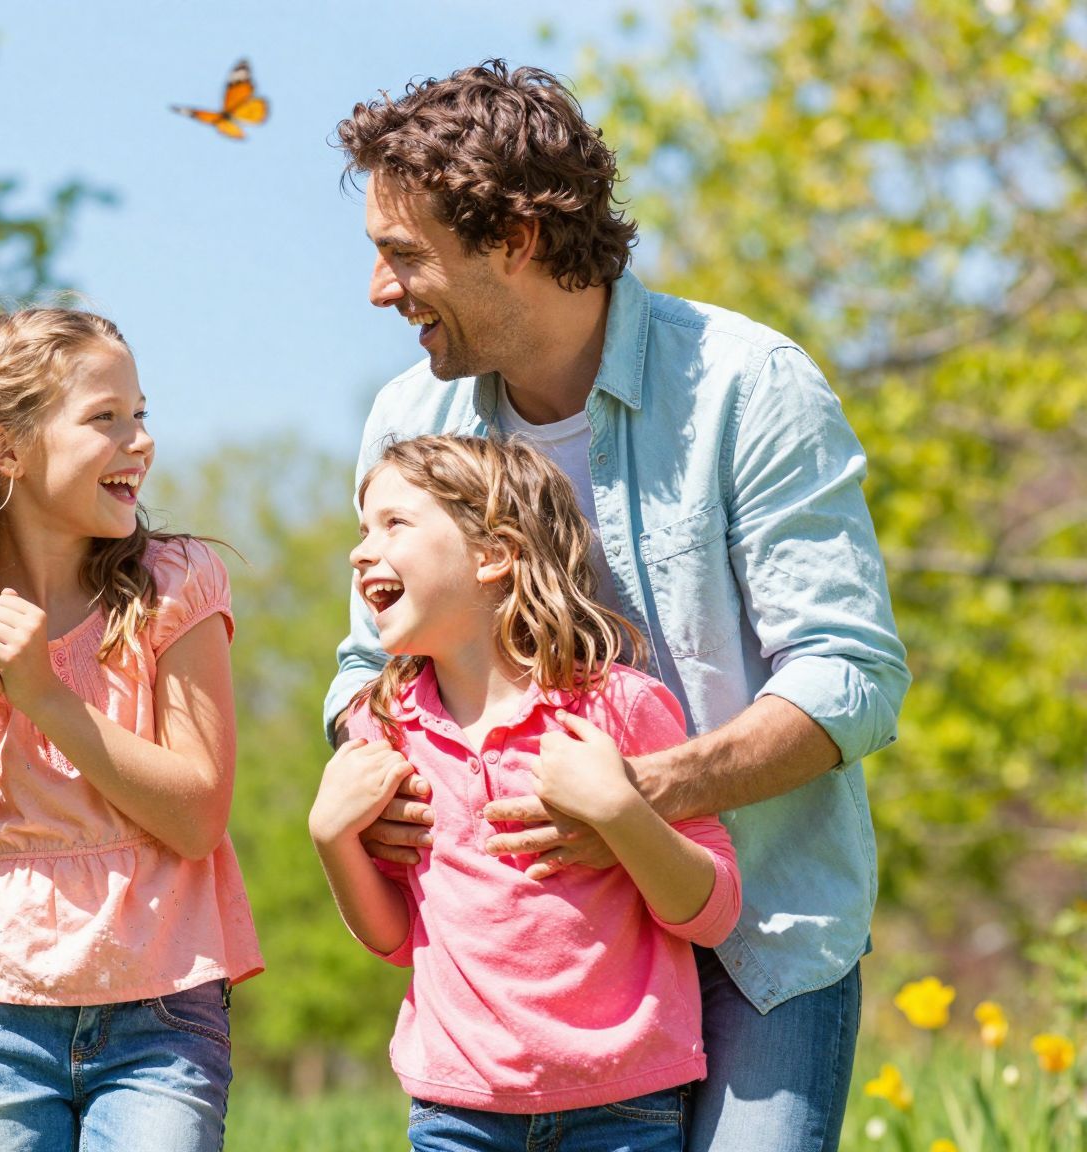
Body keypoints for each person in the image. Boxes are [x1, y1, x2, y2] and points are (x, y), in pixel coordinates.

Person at [326, 62, 908, 1151]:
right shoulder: (408, 418)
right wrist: (368, 766)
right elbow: (366, 668)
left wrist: (635, 800)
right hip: (536, 985)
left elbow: (849, 678)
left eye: (404, 255)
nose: (376, 288)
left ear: (515, 238)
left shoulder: (747, 385)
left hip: (757, 946)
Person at [0, 307, 262, 1152]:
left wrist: (46, 697)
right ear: (6, 448)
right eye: (105, 419)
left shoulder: (173, 584)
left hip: (159, 1016)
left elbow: (196, 817)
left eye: (140, 414)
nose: (138, 440)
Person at [313, 433, 741, 1150]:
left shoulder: (618, 708)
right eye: (362, 530)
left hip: (623, 1109)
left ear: (492, 554)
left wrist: (619, 810)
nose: (360, 551)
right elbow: (395, 940)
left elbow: (714, 911)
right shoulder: (383, 728)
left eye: (395, 525)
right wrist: (331, 839)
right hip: (457, 1110)